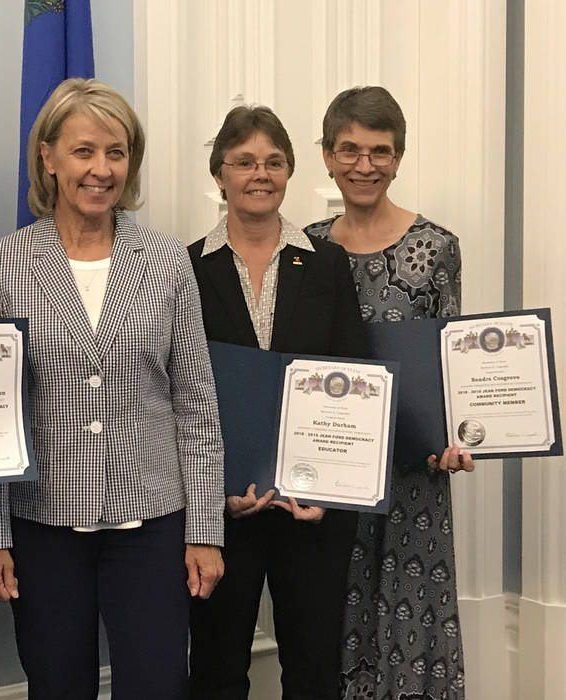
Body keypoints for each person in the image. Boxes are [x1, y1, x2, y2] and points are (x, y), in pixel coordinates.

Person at [0, 78, 226, 699]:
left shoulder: (167, 263)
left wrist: (206, 529)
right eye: (84, 151)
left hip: (153, 524)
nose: (101, 169)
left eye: (116, 152)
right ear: (49, 157)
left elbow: (196, 405)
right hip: (43, 525)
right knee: (57, 685)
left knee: (159, 684)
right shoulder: (2, 264)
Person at [187, 105, 367, 700]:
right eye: (243, 162)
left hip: (309, 508)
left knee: (314, 669)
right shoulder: (184, 268)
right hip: (221, 510)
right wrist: (214, 496)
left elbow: (353, 376)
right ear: (219, 174)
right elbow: (175, 391)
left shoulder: (328, 263)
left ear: (289, 171)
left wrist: (328, 490)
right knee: (216, 667)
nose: (259, 174)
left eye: (273, 161)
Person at [304, 85, 470, 700]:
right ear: (326, 155)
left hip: (414, 477)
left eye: (380, 151)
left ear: (399, 157)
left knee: (410, 614)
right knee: (329, 620)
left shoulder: (437, 249)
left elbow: (453, 368)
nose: (364, 165)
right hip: (332, 475)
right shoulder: (309, 248)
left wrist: (457, 438)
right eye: (349, 150)